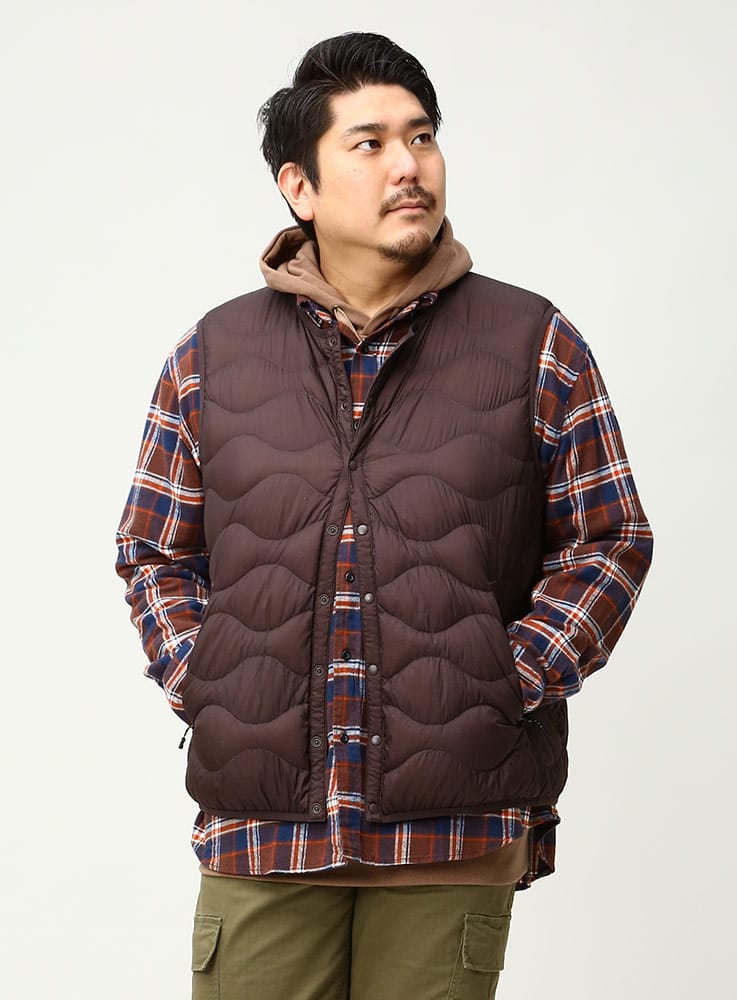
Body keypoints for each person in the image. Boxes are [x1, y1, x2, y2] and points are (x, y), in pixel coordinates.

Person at [116, 31, 653, 999]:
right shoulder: (211, 357)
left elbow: (609, 540)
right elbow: (153, 552)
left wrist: (508, 676)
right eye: (369, 143)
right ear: (299, 186)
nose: (409, 165)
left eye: (423, 137)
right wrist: (208, 679)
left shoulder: (534, 343)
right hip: (263, 830)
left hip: (453, 827)